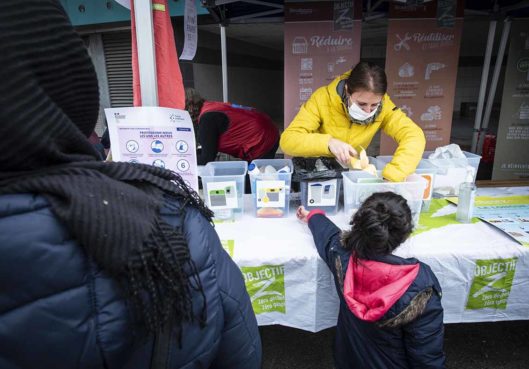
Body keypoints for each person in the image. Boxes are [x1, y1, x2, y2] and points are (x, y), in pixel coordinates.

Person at [0, 1, 261, 368]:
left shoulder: (210, 121)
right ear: (74, 85)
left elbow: (207, 154)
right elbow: (240, 350)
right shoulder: (174, 216)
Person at [296, 192, 445, 369]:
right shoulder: (420, 284)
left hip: (348, 360)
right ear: (404, 235)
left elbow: (329, 238)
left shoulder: (343, 256)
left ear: (361, 224)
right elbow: (426, 357)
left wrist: (314, 217)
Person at [280, 62, 426, 182]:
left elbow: (413, 135)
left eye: (374, 105)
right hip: (314, 172)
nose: (368, 111)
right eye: (362, 104)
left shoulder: (385, 106)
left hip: (351, 173)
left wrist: (394, 175)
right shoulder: (322, 98)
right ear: (347, 90)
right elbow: (289, 140)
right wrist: (329, 143)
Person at [185, 88, 280, 165]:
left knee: (255, 182)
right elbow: (209, 148)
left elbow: (206, 158)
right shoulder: (209, 108)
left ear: (188, 107)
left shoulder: (207, 119)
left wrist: (182, 159)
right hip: (267, 129)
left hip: (262, 139)